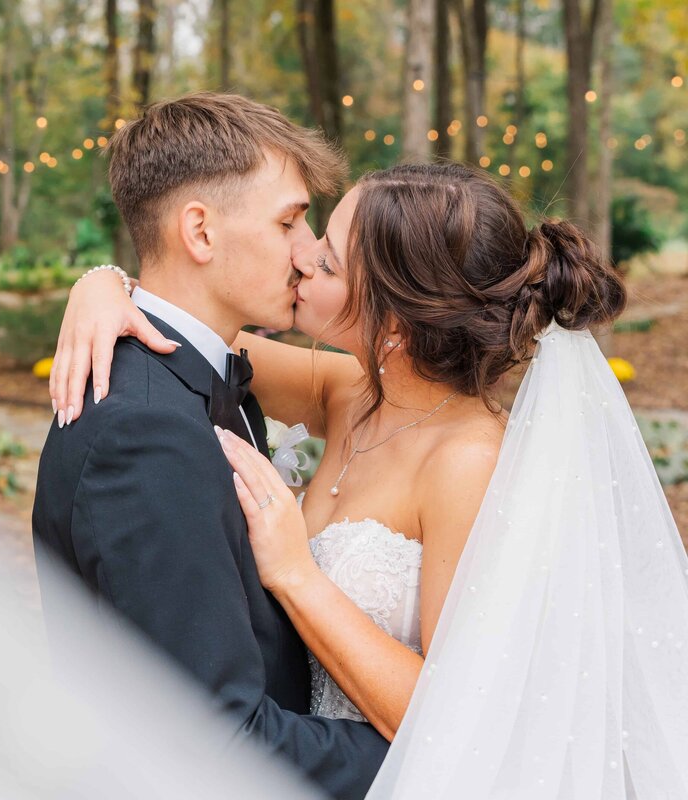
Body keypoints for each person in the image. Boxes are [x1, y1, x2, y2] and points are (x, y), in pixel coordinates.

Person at [52, 161, 688, 797]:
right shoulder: (350, 395)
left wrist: (295, 574)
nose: (302, 259)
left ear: (394, 324)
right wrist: (101, 286)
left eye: (327, 262)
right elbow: (187, 334)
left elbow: (461, 711)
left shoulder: (465, 463)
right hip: (299, 760)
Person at [31, 92, 389, 800]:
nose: (307, 248)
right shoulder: (147, 431)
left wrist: (106, 280)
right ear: (200, 232)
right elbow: (215, 741)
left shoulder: (210, 375)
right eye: (289, 219)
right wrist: (451, 752)